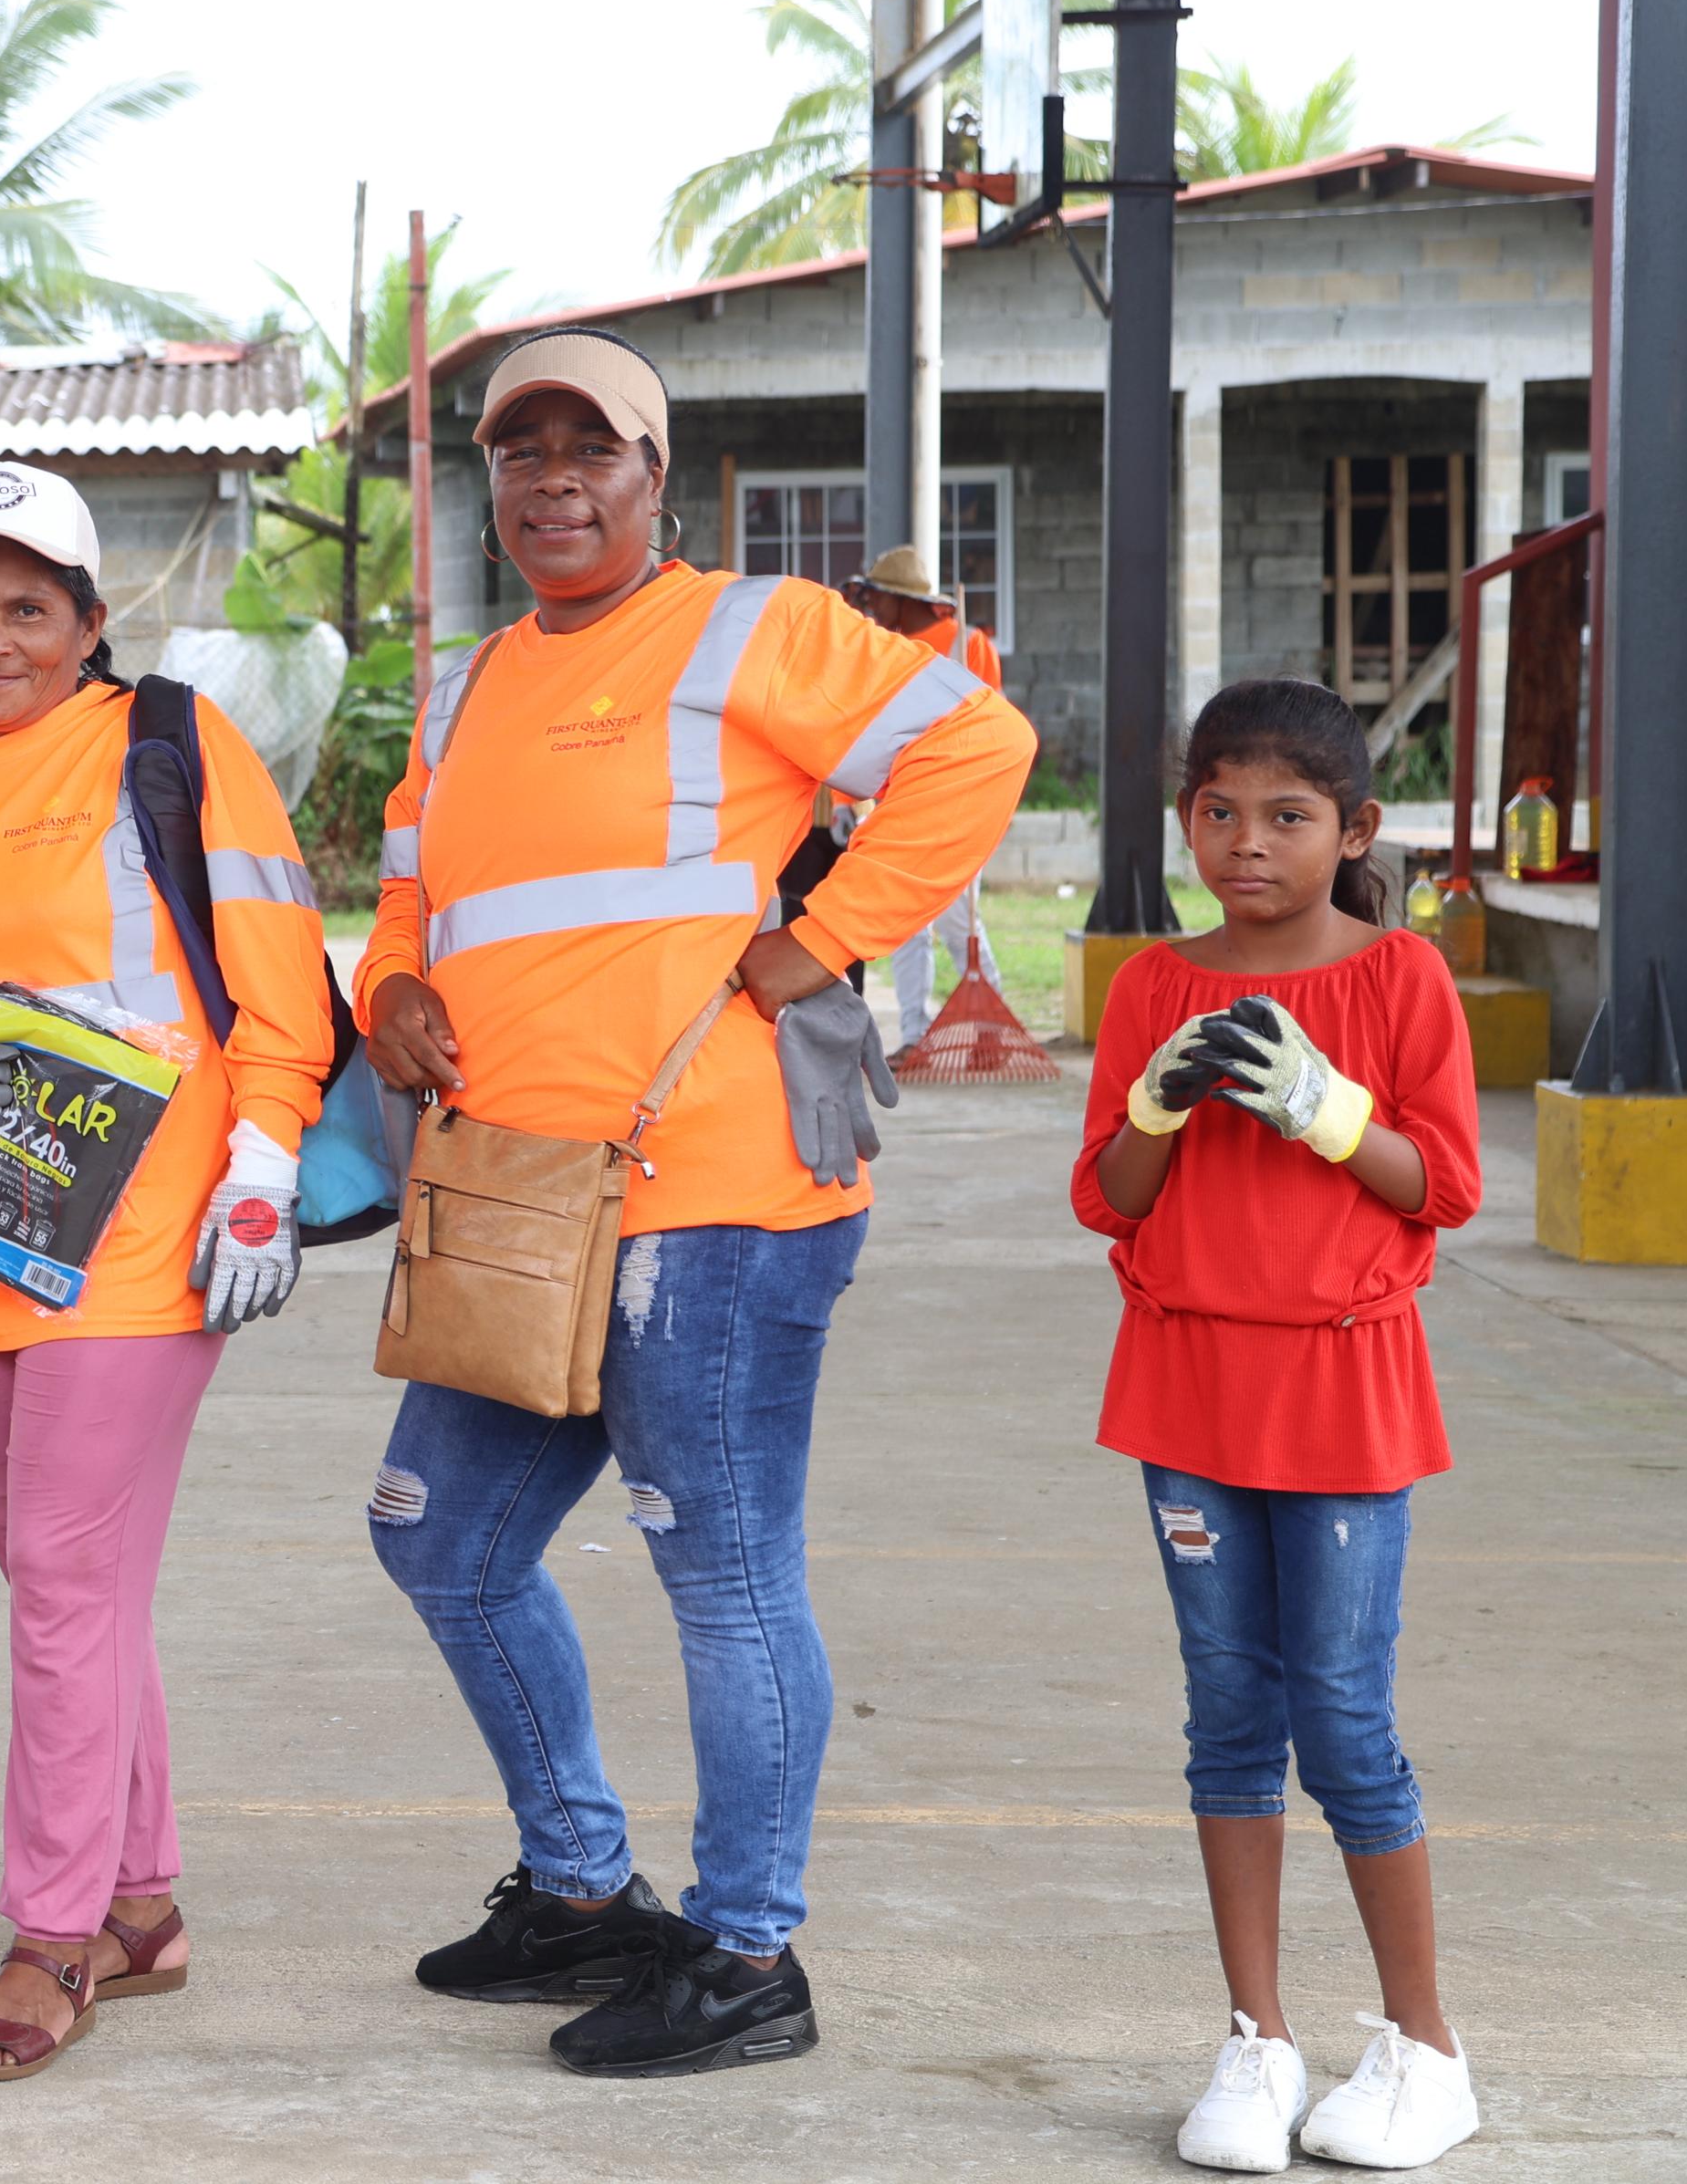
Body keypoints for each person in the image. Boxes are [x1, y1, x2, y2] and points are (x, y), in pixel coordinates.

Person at [358, 325, 1034, 2078]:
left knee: (721, 1573)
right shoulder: (464, 683)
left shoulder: (760, 627)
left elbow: (978, 745)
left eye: (595, 451)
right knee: (441, 1529)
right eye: (524, 453)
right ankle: (584, 1892)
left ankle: (746, 1952)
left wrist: (818, 940)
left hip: (714, 1196)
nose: (556, 482)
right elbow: (415, 880)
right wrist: (389, 988)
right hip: (523, 1197)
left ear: (657, 476)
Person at [0, 463, 329, 2082]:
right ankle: (140, 1905)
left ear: (88, 619)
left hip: (146, 1235)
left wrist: (262, 1170)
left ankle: (51, 1935)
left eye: (27, 609)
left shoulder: (171, 750)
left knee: (62, 1575)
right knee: (70, 1583)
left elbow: (280, 987)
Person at [1075, 679, 1484, 2172]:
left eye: (1288, 815)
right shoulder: (1146, 987)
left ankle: (1426, 2046)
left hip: (1340, 1388)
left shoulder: (1401, 977)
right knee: (1229, 1717)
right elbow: (1105, 1197)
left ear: (1354, 829)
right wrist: (1159, 1114)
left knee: (1345, 1717)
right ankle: (1256, 2037)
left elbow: (1442, 1183)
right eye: (1220, 810)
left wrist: (1325, 1108)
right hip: (1187, 1386)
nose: (1247, 842)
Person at [842, 544, 1007, 1046]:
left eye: (877, 599)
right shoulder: (884, 651)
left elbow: (992, 730)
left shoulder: (969, 645)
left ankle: (990, 1034)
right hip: (903, 804)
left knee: (960, 924)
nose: (872, 609)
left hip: (957, 805)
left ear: (900, 599)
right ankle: (917, 1036)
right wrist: (851, 803)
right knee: (910, 927)